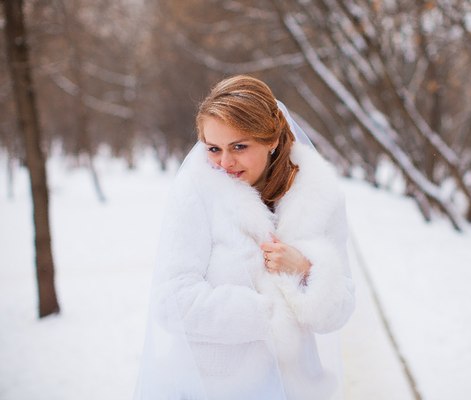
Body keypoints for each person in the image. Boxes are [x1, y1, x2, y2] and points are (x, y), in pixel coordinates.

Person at [133, 75, 355, 400]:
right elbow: (171, 300)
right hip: (215, 388)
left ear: (272, 140)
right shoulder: (198, 192)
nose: (224, 162)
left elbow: (341, 307)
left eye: (239, 146)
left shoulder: (320, 197)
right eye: (213, 148)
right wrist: (266, 314)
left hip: (296, 389)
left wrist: (306, 268)